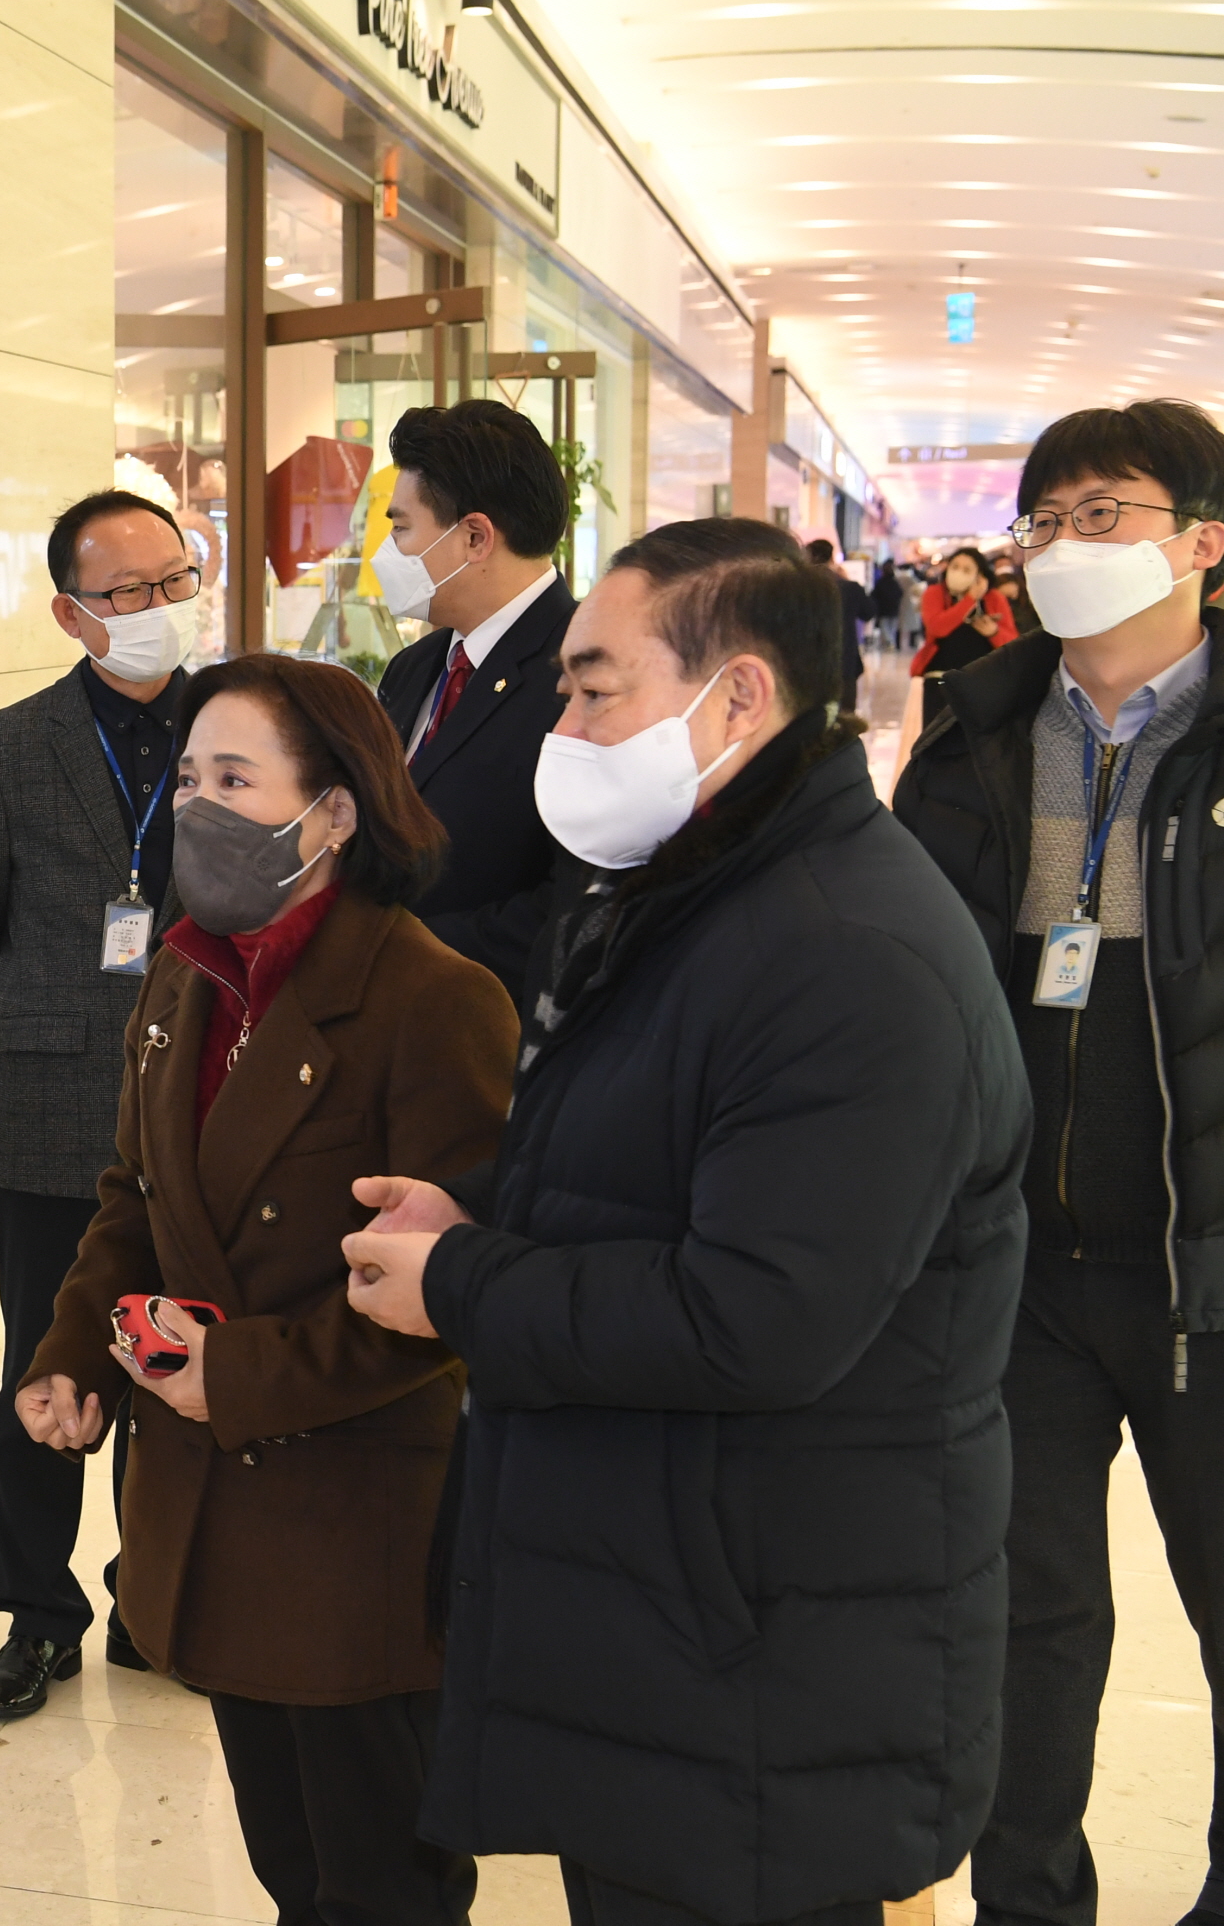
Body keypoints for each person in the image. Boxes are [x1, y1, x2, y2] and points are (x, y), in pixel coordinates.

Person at [342, 517, 1029, 1926]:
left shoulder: (848, 954)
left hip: (765, 1650)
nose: (565, 728)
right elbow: (653, 1164)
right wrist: (478, 1211)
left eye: (596, 688)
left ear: (738, 698)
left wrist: (461, 1282)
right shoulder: (692, 891)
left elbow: (755, 1318)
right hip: (675, 1617)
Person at [17, 654, 517, 1926]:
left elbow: (446, 1299)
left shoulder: (434, 1001)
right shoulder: (188, 975)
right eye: (189, 779)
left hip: (356, 1526)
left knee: (380, 1887)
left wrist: (230, 1375)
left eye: (236, 780)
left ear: (334, 811)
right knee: (290, 1866)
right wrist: (73, 1350)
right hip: (211, 1514)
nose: (199, 807)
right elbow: (136, 1196)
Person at [891, 399, 1224, 1926]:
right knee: (1024, 1627)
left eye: (1106, 513)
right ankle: (1029, 1903)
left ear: (1203, 541)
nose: (1066, 545)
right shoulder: (971, 738)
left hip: (1202, 1270)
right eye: (1046, 518)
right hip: (1019, 1271)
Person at [0, 486, 201, 1716]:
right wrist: (61, 1031)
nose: (157, 606)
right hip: (50, 1109)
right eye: (127, 591)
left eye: (174, 580)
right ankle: (38, 1618)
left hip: (205, 1105)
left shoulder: (242, 726)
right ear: (70, 612)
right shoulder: (4, 750)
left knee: (178, 1362)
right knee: (44, 1370)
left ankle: (156, 1598)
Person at [370, 400, 574, 995]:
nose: (387, 550)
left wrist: (399, 953)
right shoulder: (413, 668)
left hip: (493, 1019)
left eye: (401, 528)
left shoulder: (583, 676)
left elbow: (575, 905)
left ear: (475, 537)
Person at [917, 543, 1016, 677]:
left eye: (967, 569)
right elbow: (936, 628)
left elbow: (1012, 642)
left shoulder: (994, 597)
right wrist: (970, 599)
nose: (958, 573)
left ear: (980, 575)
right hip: (940, 672)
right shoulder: (935, 593)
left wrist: (994, 632)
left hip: (984, 673)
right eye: (955, 567)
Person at [807, 536, 868, 705]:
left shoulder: (799, 587)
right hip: (844, 660)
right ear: (832, 557)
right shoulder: (849, 587)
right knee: (845, 713)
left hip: (808, 664)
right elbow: (868, 612)